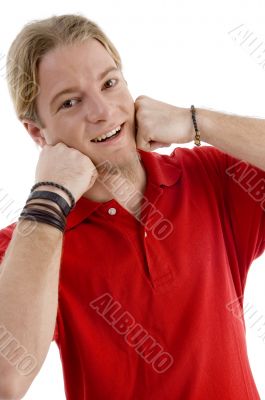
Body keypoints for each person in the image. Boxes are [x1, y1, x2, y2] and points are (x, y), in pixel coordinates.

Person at [0, 13, 264, 400]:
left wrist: (197, 121)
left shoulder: (210, 177)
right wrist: (49, 197)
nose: (102, 111)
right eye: (70, 102)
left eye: (109, 83)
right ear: (38, 132)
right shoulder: (29, 243)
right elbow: (6, 378)